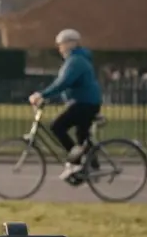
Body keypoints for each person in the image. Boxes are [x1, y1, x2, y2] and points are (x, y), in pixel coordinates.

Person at [29, 29, 102, 183]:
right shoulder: (76, 59)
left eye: (61, 44)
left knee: (57, 126)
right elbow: (66, 86)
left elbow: (63, 83)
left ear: (71, 43)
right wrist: (49, 98)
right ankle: (90, 166)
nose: (59, 48)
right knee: (82, 137)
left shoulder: (75, 61)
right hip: (86, 102)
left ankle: (75, 163)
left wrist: (42, 95)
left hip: (85, 103)